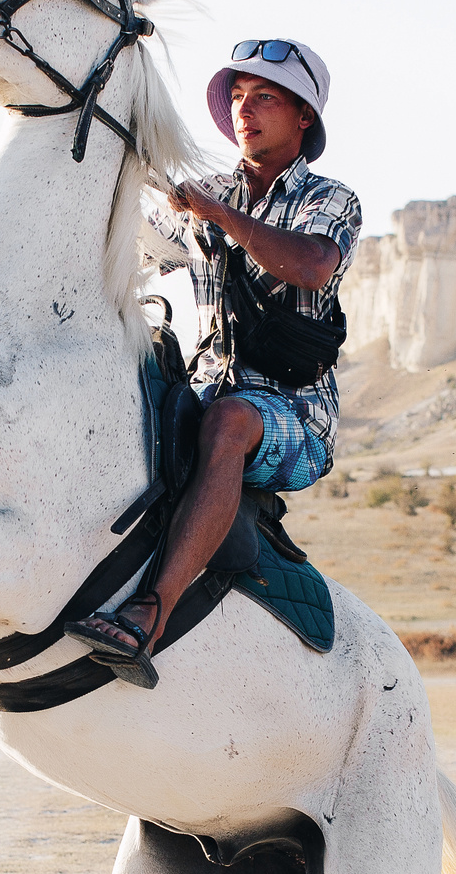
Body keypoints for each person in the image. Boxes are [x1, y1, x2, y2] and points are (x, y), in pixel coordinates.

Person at [68, 37, 361, 688]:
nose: (243, 109)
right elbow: (132, 247)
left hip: (292, 416)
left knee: (230, 421)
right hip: (207, 390)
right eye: (236, 97)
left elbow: (311, 266)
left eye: (264, 97)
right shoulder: (205, 197)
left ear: (303, 117)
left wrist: (219, 214)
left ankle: (150, 612)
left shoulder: (331, 200)